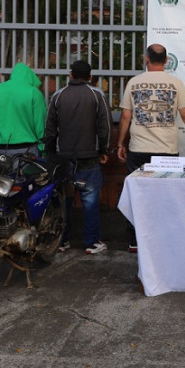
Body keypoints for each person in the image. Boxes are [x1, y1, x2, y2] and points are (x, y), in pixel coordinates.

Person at [116, 44, 185, 251]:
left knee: (137, 196)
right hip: (167, 151)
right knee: (166, 196)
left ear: (146, 59)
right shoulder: (176, 84)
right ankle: (163, 239)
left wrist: (120, 143)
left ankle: (135, 241)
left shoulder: (134, 83)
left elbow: (125, 117)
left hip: (139, 150)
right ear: (166, 60)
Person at [45, 60, 112, 255]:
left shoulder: (58, 96)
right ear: (90, 77)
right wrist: (104, 151)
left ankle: (62, 241)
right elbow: (105, 126)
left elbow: (50, 129)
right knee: (90, 201)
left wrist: (50, 153)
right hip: (89, 157)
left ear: (70, 75)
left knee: (64, 200)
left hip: (63, 158)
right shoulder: (97, 94)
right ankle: (91, 242)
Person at [0, 62, 47, 161]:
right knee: (25, 176)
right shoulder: (34, 93)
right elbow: (40, 125)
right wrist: (43, 149)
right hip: (27, 149)